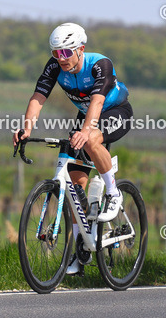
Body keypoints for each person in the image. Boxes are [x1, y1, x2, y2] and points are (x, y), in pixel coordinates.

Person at [14, 23, 133, 274]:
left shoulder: (100, 64)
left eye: (66, 53)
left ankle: (113, 192)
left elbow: (98, 101)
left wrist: (87, 131)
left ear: (81, 49)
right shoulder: (55, 66)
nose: (61, 58)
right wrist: (27, 128)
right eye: (56, 53)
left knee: (90, 140)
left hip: (114, 111)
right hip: (86, 115)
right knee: (74, 184)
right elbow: (38, 97)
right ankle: (81, 249)